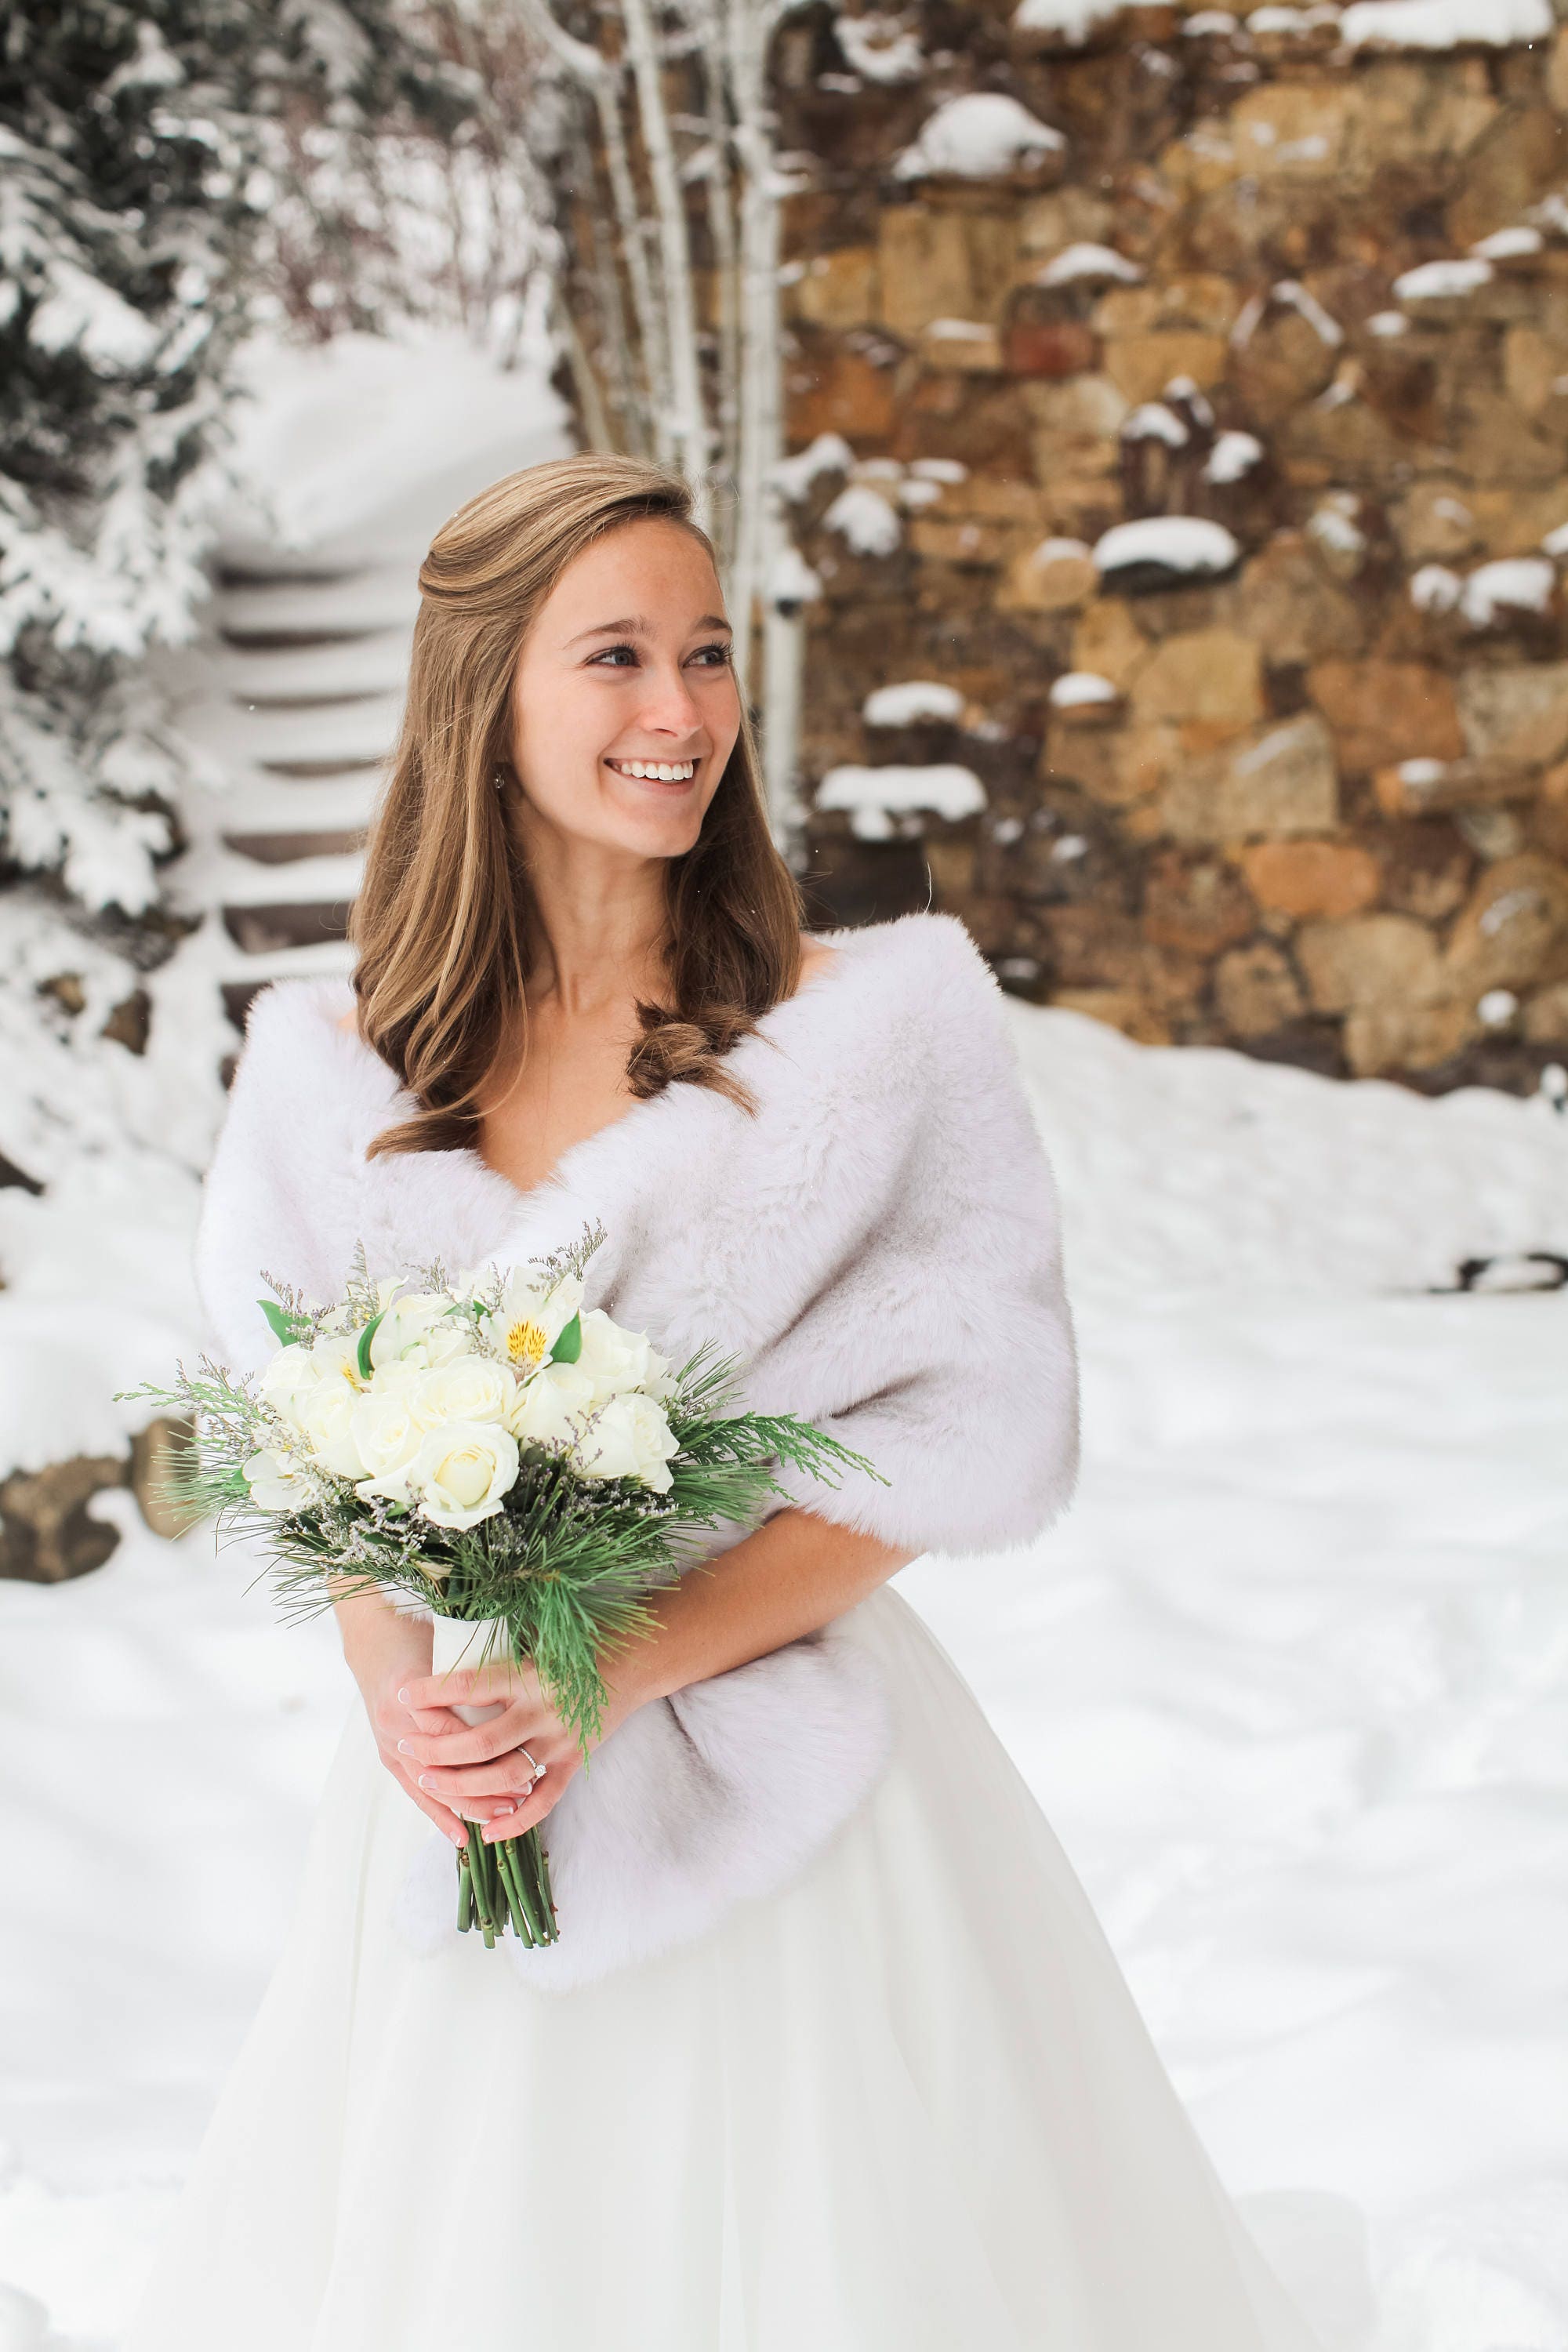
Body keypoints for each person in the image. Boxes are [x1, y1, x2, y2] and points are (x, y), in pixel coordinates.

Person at [124, 452, 1328, 2350]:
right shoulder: (332, 1075)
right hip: (471, 1798)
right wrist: (402, 1705)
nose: (681, 713)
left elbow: (963, 1431)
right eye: (615, 657)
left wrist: (625, 1658)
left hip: (794, 1762)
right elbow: (309, 1446)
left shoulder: (874, 1034)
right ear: (485, 694)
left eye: (706, 653)